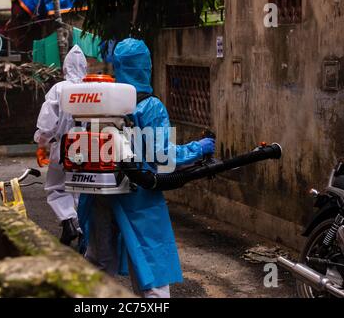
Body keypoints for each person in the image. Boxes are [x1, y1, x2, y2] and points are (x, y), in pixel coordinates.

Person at [77, 38, 216, 298]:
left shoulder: (103, 102)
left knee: (99, 263)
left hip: (100, 191)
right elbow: (163, 156)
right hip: (138, 195)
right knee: (150, 267)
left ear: (117, 65)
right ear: (146, 66)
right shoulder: (150, 106)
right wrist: (200, 147)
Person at [34, 45, 87, 245]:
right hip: (89, 147)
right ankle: (81, 228)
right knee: (83, 188)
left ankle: (68, 222)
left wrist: (41, 143)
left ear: (65, 69)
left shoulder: (59, 89)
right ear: (84, 67)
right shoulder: (93, 88)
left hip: (62, 147)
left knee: (56, 188)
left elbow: (47, 123)